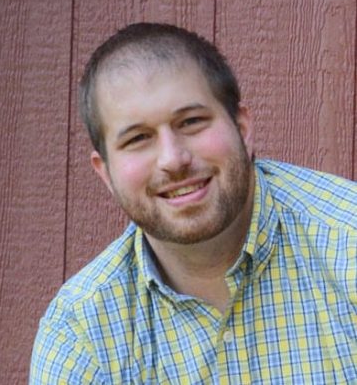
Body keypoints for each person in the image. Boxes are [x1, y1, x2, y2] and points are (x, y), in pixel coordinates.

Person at [30, 23, 357, 384]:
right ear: (105, 172)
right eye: (138, 139)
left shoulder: (348, 244)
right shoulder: (82, 333)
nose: (173, 159)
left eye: (191, 122)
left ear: (242, 128)